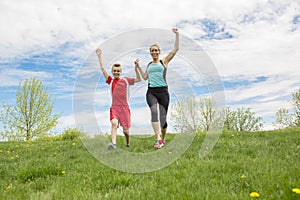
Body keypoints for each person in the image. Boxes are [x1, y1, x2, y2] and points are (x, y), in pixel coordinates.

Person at [136, 28, 179, 148]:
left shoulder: (164, 62)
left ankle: (163, 138)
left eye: (156, 50)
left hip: (163, 92)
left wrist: (177, 35)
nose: (154, 52)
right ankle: (158, 139)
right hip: (151, 92)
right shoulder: (149, 65)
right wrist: (138, 67)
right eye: (152, 51)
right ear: (150, 53)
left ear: (159, 51)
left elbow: (175, 50)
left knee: (163, 119)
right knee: (154, 111)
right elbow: (145, 77)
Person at [96, 48, 141, 150]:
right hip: (114, 108)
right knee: (114, 123)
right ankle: (114, 145)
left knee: (126, 131)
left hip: (124, 108)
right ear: (112, 72)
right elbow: (103, 69)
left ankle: (128, 142)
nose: (116, 72)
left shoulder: (126, 81)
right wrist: (99, 57)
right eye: (114, 71)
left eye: (118, 71)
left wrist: (136, 68)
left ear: (121, 72)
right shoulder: (110, 81)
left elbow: (138, 79)